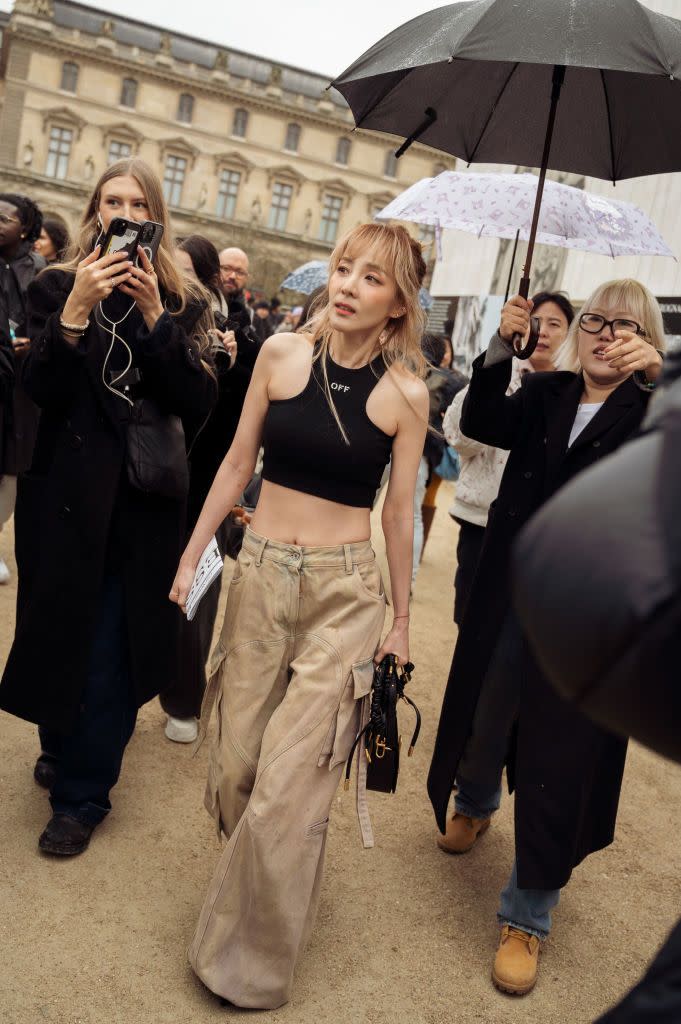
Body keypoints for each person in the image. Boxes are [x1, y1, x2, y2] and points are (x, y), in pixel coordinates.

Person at [170, 222, 429, 1009]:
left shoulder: (406, 394)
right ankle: (260, 887)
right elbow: (237, 461)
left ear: (396, 305)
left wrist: (401, 621)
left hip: (346, 594)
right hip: (261, 578)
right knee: (236, 769)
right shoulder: (279, 357)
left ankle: (247, 964)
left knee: (293, 784)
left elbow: (398, 515)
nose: (348, 285)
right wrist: (190, 556)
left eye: (371, 279)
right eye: (344, 269)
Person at [428, 280, 664, 996]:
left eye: (622, 325)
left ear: (643, 338)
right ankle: (473, 802)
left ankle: (526, 916)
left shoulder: (653, 412)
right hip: (513, 589)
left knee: (560, 758)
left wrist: (664, 378)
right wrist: (504, 345)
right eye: (593, 319)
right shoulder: (544, 392)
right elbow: (482, 423)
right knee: (489, 706)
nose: (601, 333)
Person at [0, 158, 216, 857]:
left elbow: (198, 406)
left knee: (111, 651)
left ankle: (84, 794)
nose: (123, 214)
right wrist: (72, 313)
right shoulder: (57, 283)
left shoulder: (184, 302)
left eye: (137, 203)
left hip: (141, 504)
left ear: (156, 215)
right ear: (95, 209)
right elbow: (39, 390)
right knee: (57, 624)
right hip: (60, 497)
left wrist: (156, 316)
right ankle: (61, 742)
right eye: (111, 201)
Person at [160, 234, 251, 743]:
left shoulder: (235, 329)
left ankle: (183, 699)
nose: (176, 278)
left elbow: (238, 426)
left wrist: (228, 367)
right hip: (151, 479)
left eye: (188, 270)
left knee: (196, 597)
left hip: (205, 486)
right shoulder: (146, 314)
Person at [444, 292, 574, 624]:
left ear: (571, 333)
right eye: (536, 321)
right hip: (483, 523)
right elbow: (460, 438)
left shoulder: (576, 392)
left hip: (541, 535)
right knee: (471, 620)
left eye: (555, 324)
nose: (543, 331)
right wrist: (500, 389)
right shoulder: (497, 373)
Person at [0, 193, 47, 584]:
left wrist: (32, 342)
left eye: (5, 219)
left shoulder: (40, 272)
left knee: (12, 465)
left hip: (20, 384)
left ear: (26, 228)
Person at [413, 333, 468, 580]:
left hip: (426, 450)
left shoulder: (424, 376)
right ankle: (415, 558)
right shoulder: (454, 380)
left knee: (420, 505)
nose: (447, 354)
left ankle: (415, 555)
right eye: (444, 350)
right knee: (422, 505)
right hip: (433, 451)